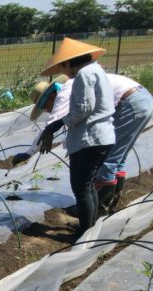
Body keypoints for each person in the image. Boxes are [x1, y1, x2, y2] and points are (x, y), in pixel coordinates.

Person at [21, 71, 152, 215]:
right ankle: (111, 205)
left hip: (130, 103)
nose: (46, 110)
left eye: (44, 106)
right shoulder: (75, 88)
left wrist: (29, 153)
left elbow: (51, 125)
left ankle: (99, 212)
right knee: (118, 158)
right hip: (141, 99)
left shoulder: (64, 93)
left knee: (108, 160)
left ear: (50, 96)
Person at [37, 38, 115, 236]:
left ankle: (84, 234)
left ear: (69, 62)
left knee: (81, 188)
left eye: (63, 67)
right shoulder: (97, 71)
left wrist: (56, 124)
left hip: (90, 138)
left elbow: (82, 110)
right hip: (102, 136)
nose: (64, 72)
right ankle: (89, 228)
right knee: (87, 186)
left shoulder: (84, 75)